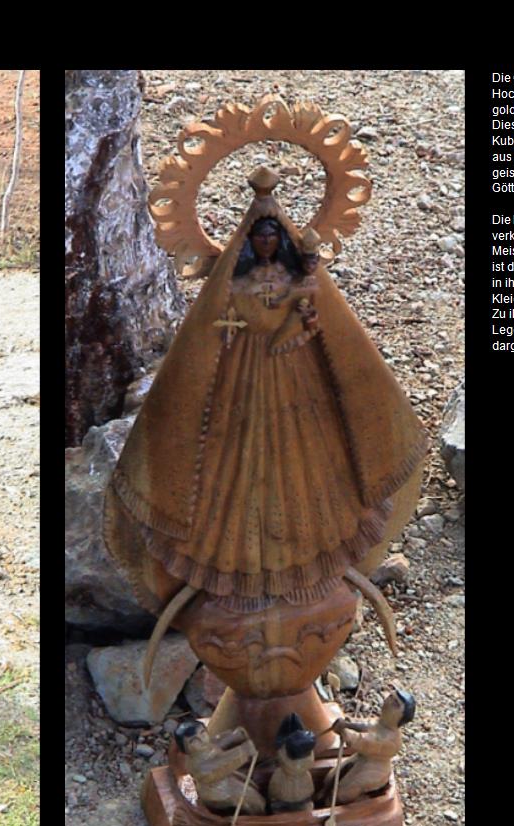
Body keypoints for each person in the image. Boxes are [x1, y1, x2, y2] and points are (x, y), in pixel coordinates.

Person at [106, 166, 428, 617]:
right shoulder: (234, 282)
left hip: (295, 382)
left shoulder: (298, 280)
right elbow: (210, 331)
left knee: (301, 459)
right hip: (240, 380)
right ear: (249, 242)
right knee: (236, 460)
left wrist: (300, 325)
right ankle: (233, 561)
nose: (265, 245)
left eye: (273, 239)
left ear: (281, 241)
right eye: (259, 239)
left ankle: (305, 560)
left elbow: (316, 322)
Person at [318, 688, 415, 807]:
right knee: (331, 776)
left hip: (375, 768)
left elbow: (366, 743)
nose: (389, 702)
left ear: (402, 717)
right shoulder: (381, 723)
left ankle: (348, 809)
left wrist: (346, 733)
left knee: (344, 792)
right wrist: (348, 723)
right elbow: (366, 725)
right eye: (390, 697)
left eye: (395, 704)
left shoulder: (391, 740)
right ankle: (324, 796)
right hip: (362, 758)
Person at [173, 720, 266, 816]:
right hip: (219, 792)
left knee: (250, 786)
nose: (201, 740)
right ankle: (258, 817)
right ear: (185, 749)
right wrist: (243, 751)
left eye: (203, 733)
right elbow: (220, 764)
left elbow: (216, 743)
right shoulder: (198, 766)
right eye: (194, 741)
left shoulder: (204, 748)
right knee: (254, 801)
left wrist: (234, 736)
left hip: (226, 780)